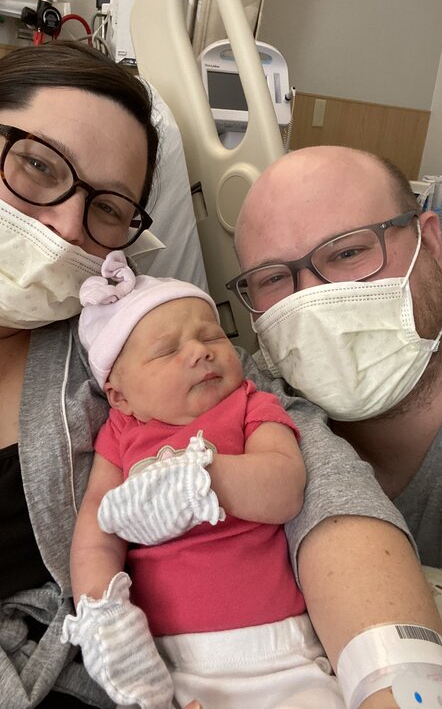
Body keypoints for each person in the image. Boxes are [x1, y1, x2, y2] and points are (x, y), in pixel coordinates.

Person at [0, 41, 442, 709]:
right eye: (37, 166)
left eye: (106, 207)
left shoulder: (123, 341)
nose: (67, 226)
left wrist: (398, 677)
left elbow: (305, 457)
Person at [63, 251, 347, 709]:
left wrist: (202, 480)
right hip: (167, 664)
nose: (201, 350)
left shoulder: (251, 404)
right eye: (168, 350)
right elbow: (98, 527)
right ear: (120, 396)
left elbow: (285, 490)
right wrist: (103, 613)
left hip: (279, 654)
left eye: (212, 335)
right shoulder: (119, 434)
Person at [232, 144, 442, 579]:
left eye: (348, 253)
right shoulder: (248, 400)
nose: (312, 298)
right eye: (273, 278)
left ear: (429, 243)